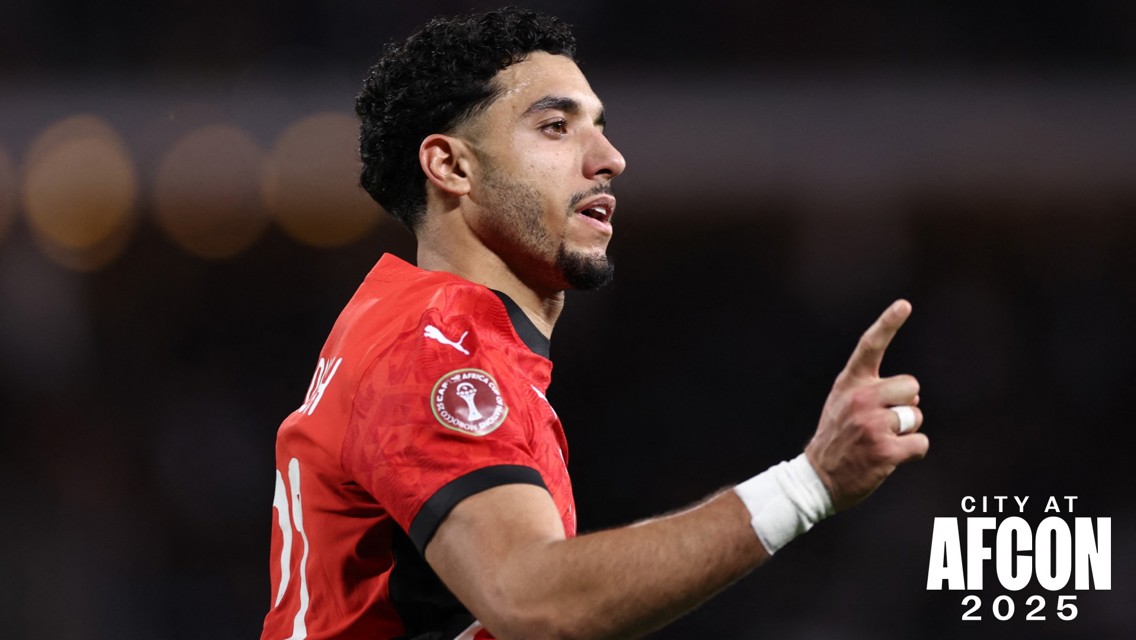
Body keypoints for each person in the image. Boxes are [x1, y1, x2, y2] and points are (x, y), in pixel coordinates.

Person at [260, 7, 928, 640]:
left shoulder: (426, 330)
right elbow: (534, 601)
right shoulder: (436, 345)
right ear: (452, 166)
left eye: (600, 126)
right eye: (556, 126)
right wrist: (810, 483)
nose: (610, 158)